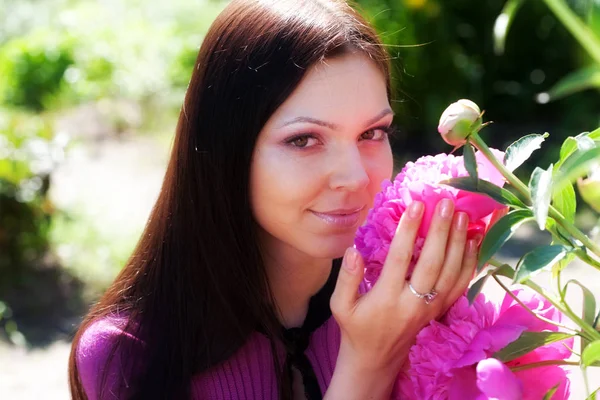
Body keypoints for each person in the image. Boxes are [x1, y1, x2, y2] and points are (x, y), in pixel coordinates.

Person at [68, 0, 479, 399]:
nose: (355, 177)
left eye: (372, 133)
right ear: (225, 150)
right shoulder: (127, 356)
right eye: (304, 140)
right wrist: (371, 362)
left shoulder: (413, 298)